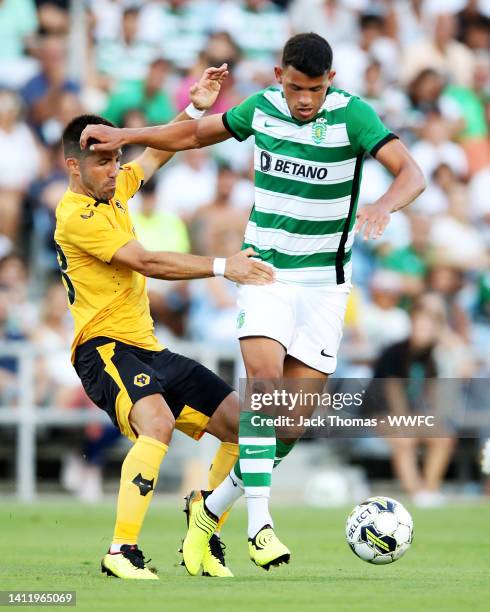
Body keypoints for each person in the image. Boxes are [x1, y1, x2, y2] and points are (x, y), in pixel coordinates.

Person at [79, 32, 426, 576]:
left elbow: (412, 172)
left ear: (329, 81)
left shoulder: (353, 117)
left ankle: (209, 510)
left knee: (287, 424)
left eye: (314, 88)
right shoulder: (261, 108)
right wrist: (126, 132)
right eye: (294, 87)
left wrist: (383, 204)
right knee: (263, 391)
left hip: (325, 287)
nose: (304, 99)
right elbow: (194, 134)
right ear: (277, 76)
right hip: (264, 273)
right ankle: (260, 527)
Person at [54, 64, 274, 580]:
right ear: (73, 166)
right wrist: (225, 266)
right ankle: (121, 551)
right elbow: (149, 263)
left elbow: (157, 152)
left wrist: (196, 107)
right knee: (156, 423)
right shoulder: (76, 216)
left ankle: (205, 525)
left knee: (241, 426)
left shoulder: (114, 190)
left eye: (116, 159)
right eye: (103, 162)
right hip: (104, 348)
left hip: (147, 347)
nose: (115, 169)